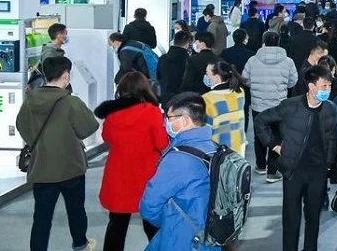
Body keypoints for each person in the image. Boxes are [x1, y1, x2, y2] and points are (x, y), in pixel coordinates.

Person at [16, 56, 100, 251]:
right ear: (66, 75)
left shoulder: (29, 101)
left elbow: (22, 126)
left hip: (41, 167)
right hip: (71, 167)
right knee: (76, 210)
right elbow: (89, 127)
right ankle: (81, 245)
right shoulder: (70, 102)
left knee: (41, 217)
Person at [255, 65, 337, 251]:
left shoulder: (330, 109)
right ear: (311, 86)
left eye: (329, 86)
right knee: (291, 219)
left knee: (313, 217)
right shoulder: (290, 106)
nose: (328, 90)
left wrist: (328, 164)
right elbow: (261, 121)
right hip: (294, 171)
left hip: (318, 172)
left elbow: (332, 138)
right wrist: (274, 145)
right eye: (324, 86)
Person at [94, 72, 167, 251]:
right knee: (152, 223)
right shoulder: (152, 112)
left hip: (118, 173)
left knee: (117, 225)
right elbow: (161, 143)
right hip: (146, 174)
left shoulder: (112, 114)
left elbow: (107, 137)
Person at [139, 93, 219, 251]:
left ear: (185, 120)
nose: (166, 123)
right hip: (212, 236)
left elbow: (149, 205)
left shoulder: (177, 159)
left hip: (182, 237)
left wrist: (167, 219)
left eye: (169, 118)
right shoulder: (215, 148)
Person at [243, 30, 298, 182]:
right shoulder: (288, 62)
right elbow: (293, 81)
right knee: (277, 136)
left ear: (264, 43)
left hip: (258, 104)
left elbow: (245, 80)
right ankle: (272, 172)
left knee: (259, 135)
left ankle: (260, 165)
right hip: (279, 105)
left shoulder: (252, 60)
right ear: (279, 43)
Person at [203, 60, 246, 155]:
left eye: (207, 73)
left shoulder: (208, 98)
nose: (206, 76)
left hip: (219, 147)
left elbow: (206, 128)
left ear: (216, 77)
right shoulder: (240, 92)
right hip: (239, 142)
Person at [179, 31, 221, 96]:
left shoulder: (193, 60)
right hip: (215, 96)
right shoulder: (219, 60)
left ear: (202, 44)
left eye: (196, 42)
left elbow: (187, 83)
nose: (194, 44)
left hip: (196, 97)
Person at [157, 30, 190, 107]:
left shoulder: (163, 58)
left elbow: (158, 76)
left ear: (174, 41)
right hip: (182, 98)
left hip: (165, 97)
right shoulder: (188, 60)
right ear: (187, 44)